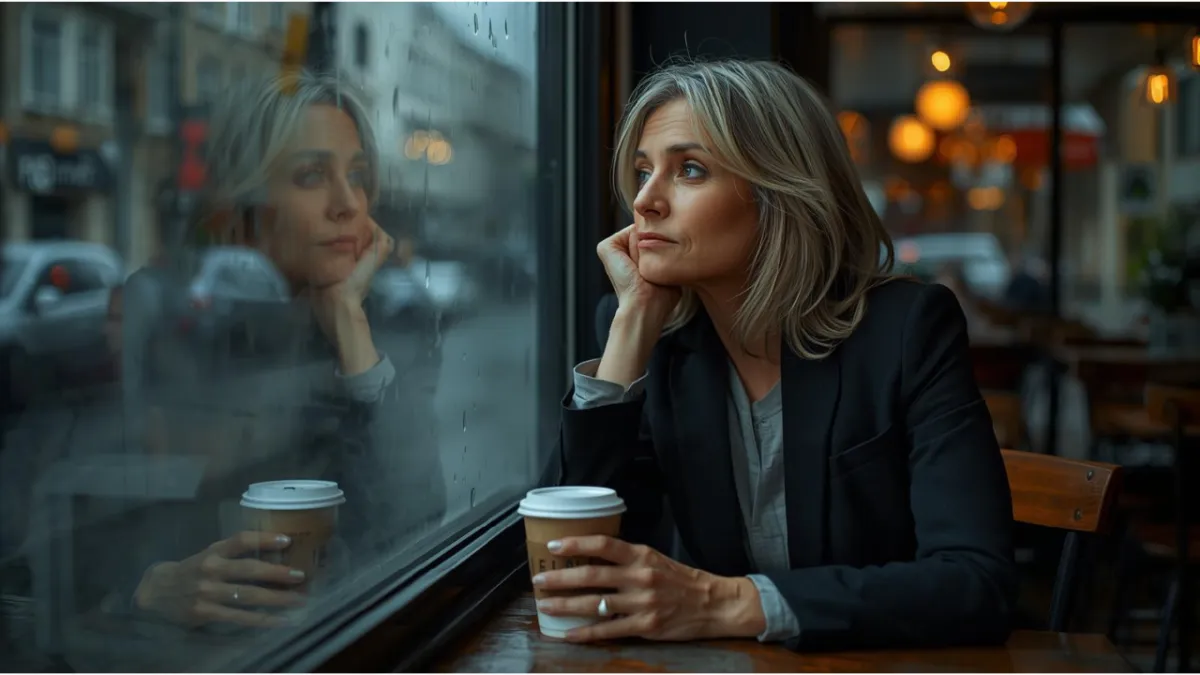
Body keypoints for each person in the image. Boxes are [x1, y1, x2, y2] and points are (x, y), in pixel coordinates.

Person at [538, 58, 1016, 651]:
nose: (646, 202)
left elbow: (977, 582)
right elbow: (564, 571)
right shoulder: (646, 335)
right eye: (642, 171)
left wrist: (724, 602)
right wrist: (631, 322)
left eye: (688, 169)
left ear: (778, 195)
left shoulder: (906, 331)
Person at [104, 70, 446, 630]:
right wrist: (147, 587)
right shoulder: (170, 313)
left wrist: (351, 332)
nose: (347, 204)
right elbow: (87, 514)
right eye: (312, 175)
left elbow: (415, 525)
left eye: (357, 176)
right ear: (249, 199)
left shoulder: (386, 318)